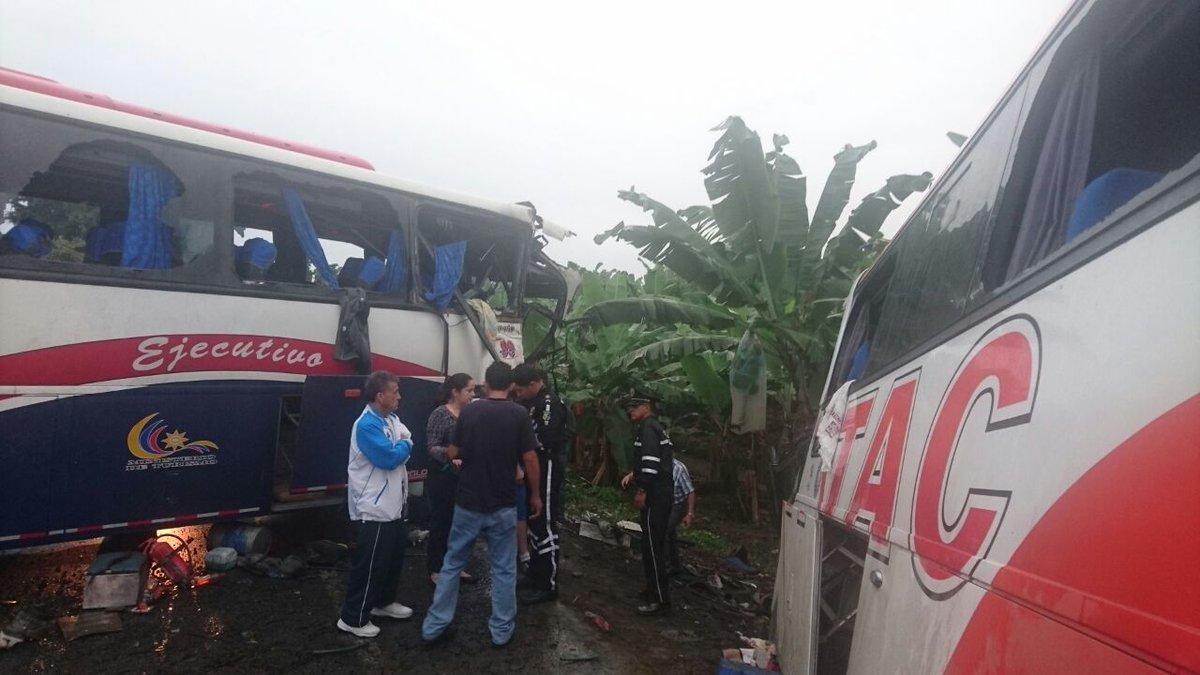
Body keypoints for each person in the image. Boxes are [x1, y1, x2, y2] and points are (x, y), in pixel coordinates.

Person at [422, 361, 542, 647]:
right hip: (503, 505)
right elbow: (530, 458)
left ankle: (434, 626)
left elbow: (452, 452)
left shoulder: (471, 411)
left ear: (486, 384)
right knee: (503, 568)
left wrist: (463, 455)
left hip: (467, 503)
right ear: (511, 385)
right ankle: (501, 632)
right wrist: (535, 494)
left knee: (451, 564)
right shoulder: (519, 414)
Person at [336, 371, 415, 638]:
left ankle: (383, 603)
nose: (399, 397)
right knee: (369, 564)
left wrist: (403, 443)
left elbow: (404, 437)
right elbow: (389, 458)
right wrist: (405, 444)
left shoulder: (391, 419)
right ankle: (352, 618)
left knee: (392, 560)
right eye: (395, 392)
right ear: (380, 396)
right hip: (374, 507)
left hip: (394, 506)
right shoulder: (367, 425)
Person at [511, 363, 570, 604]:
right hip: (532, 469)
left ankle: (549, 584)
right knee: (535, 523)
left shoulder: (549, 405)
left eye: (522, 390)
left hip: (545, 468)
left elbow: (542, 442)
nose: (519, 394)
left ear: (535, 383)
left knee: (544, 523)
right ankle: (536, 574)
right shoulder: (532, 404)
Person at [425, 373, 478, 586]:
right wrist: (451, 455)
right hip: (444, 477)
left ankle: (457, 566)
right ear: (455, 392)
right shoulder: (440, 414)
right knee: (442, 522)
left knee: (462, 524)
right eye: (470, 390)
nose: (473, 395)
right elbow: (432, 446)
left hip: (466, 478)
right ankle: (436, 569)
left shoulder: (472, 414)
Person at [624, 392, 674, 616]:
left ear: (646, 406)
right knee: (649, 544)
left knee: (653, 547)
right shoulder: (653, 427)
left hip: (656, 494)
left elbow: (652, 464)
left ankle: (660, 600)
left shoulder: (649, 429)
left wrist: (642, 490)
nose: (630, 411)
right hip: (659, 493)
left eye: (634, 407)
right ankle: (651, 589)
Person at [622, 457, 696, 581]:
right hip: (660, 502)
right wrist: (630, 476)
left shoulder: (678, 469)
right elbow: (642, 470)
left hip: (677, 504)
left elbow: (690, 492)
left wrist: (690, 513)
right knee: (668, 534)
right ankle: (674, 565)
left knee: (662, 531)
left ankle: (664, 567)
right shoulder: (653, 464)